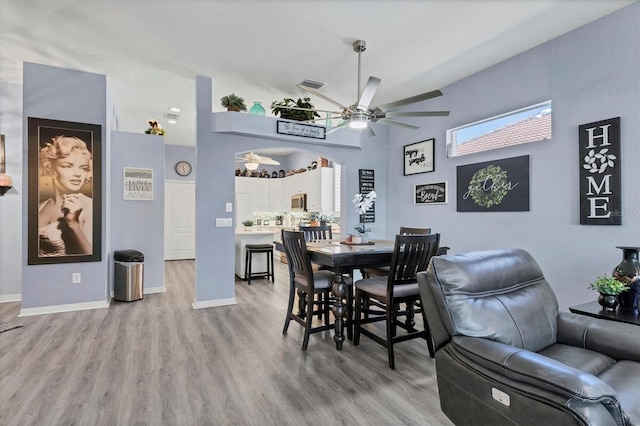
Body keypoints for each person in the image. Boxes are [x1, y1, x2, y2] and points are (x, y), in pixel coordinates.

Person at [38, 136, 93, 256]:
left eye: (83, 168)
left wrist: (73, 224)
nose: (77, 174)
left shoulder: (90, 205)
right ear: (50, 167)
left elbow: (92, 256)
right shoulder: (41, 206)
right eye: (67, 166)